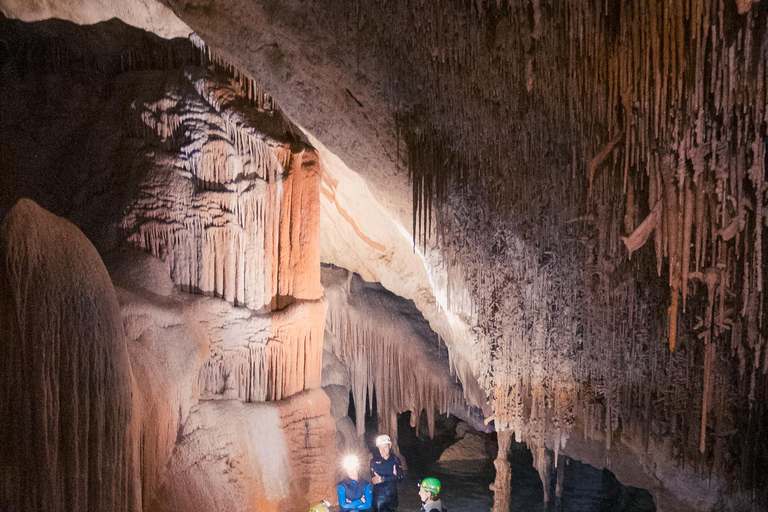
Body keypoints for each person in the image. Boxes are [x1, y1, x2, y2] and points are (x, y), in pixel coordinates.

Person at [369, 434, 403, 512]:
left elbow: (400, 478)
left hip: (392, 495)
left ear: (390, 446)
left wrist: (383, 478)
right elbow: (375, 479)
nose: (383, 450)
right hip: (378, 497)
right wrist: (392, 477)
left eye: (385, 447)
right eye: (380, 448)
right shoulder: (374, 461)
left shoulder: (395, 460)